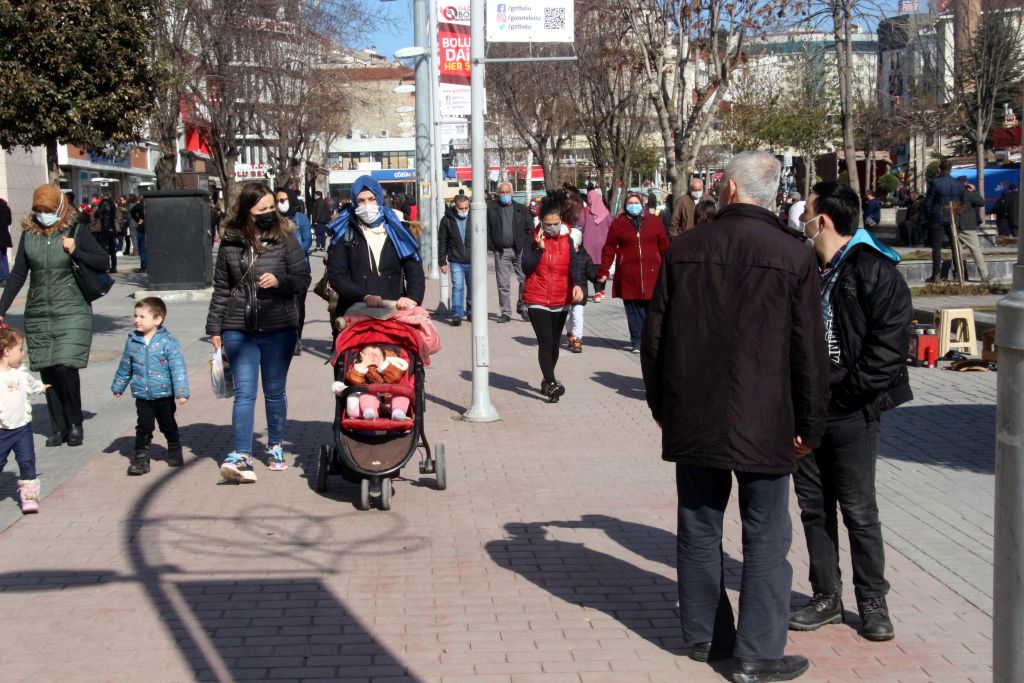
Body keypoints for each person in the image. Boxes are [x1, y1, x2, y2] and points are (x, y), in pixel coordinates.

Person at [641, 151, 829, 682]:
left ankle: (706, 633)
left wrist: (663, 406)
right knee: (766, 533)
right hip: (768, 416)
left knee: (699, 525)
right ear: (771, 197)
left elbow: (654, 341)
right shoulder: (794, 255)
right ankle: (756, 652)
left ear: (728, 189)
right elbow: (809, 353)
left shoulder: (686, 249)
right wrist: (809, 425)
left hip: (695, 412)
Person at [790, 181, 912, 643]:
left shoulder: (874, 269)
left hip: (851, 411)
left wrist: (845, 396)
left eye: (807, 211)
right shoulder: (804, 268)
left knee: (859, 510)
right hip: (806, 412)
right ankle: (826, 596)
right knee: (813, 508)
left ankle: (872, 600)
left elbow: (887, 349)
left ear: (822, 219)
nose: (801, 218)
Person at [206, 182, 312, 483]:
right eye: (261, 209)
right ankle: (241, 455)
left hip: (279, 326)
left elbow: (302, 277)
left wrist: (279, 281)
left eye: (271, 208)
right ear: (246, 211)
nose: (269, 213)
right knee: (245, 393)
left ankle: (275, 445)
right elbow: (222, 289)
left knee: (275, 390)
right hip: (239, 327)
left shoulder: (286, 237)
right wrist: (214, 326)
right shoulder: (230, 242)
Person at [0, 184, 109, 448]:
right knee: (48, 369)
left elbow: (102, 261)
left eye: (47, 210)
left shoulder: (75, 230)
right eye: (38, 210)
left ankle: (74, 423)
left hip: (72, 309)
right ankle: (57, 426)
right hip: (39, 311)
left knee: (65, 366)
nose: (42, 214)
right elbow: (18, 275)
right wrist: (1, 308)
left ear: (59, 208)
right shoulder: (30, 234)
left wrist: (76, 250)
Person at [111, 297, 190, 476]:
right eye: (135, 316)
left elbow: (178, 368)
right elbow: (125, 366)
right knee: (144, 426)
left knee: (168, 425)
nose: (136, 320)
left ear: (157, 319)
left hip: (164, 394)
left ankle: (175, 449)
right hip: (142, 395)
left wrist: (182, 391)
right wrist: (118, 386)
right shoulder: (132, 341)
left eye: (142, 316)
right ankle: (141, 459)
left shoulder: (169, 342)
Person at [327, 175, 424, 317]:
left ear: (379, 198)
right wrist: (364, 296)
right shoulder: (344, 231)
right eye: (361, 200)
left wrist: (412, 297)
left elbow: (414, 268)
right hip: (355, 311)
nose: (367, 205)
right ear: (354, 201)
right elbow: (337, 276)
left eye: (372, 199)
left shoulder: (398, 229)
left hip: (393, 309)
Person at [521, 197, 584, 403]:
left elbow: (574, 265)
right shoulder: (532, 240)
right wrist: (539, 248)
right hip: (537, 297)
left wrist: (577, 284)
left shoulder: (567, 240)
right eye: (548, 224)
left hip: (561, 297)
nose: (552, 227)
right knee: (545, 341)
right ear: (541, 222)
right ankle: (552, 381)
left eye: (556, 223)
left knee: (555, 343)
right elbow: (526, 267)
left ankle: (547, 382)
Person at [596, 192, 669, 354]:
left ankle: (652, 339)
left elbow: (664, 245)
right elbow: (609, 249)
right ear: (626, 205)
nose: (633, 205)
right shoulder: (618, 224)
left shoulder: (654, 221)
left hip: (652, 273)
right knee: (633, 310)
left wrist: (669, 266)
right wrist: (604, 270)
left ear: (642, 204)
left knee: (652, 310)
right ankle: (636, 340)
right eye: (630, 203)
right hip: (629, 274)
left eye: (636, 202)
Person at [0, 327, 48, 513]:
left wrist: (42, 387)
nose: (23, 353)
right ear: (6, 352)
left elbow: (32, 383)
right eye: (20, 349)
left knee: (27, 461)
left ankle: (29, 496)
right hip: (2, 430)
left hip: (22, 429)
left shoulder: (20, 373)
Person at [486, 181, 532, 322]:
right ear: (498, 193)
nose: (505, 195)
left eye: (507, 192)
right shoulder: (492, 209)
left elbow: (529, 228)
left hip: (519, 250)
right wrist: (492, 246)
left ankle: (523, 306)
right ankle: (506, 312)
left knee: (525, 279)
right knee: (503, 283)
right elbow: (486, 230)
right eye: (502, 192)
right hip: (501, 251)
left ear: (512, 193)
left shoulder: (521, 209)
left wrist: (526, 245)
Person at [275, 187, 313, 355]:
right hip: (278, 271)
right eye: (278, 200)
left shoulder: (301, 219)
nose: (280, 204)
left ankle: (296, 338)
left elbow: (307, 240)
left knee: (298, 306)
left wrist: (295, 256)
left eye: (283, 200)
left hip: (299, 270)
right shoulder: (273, 219)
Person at [924, 159, 966, 283]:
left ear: (939, 169)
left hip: (937, 216)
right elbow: (962, 201)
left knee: (936, 247)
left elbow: (928, 202)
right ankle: (958, 272)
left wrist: (929, 215)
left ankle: (936, 274)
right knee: (955, 246)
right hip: (953, 216)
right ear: (951, 169)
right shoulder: (958, 184)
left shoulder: (935, 183)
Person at [438, 193, 472, 326]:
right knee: (458, 287)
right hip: (456, 259)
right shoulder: (447, 220)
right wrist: (442, 261)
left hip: (473, 259)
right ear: (455, 207)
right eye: (461, 209)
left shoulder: (474, 216)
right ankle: (457, 314)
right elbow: (442, 241)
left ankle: (470, 312)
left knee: (472, 287)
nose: (464, 211)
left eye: (466, 208)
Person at [564, 227, 598, 353]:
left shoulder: (585, 257)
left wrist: (598, 276)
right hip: (565, 293)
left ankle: (578, 339)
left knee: (577, 316)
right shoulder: (563, 255)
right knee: (567, 318)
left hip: (580, 293)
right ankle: (570, 333)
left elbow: (591, 273)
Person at [952, 178, 990, 282]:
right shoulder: (968, 194)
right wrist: (974, 191)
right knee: (976, 251)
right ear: (966, 184)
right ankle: (984, 275)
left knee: (957, 252)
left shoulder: (953, 194)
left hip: (955, 225)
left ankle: (959, 275)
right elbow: (981, 203)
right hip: (968, 226)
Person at [581, 187, 611, 302]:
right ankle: (602, 291)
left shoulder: (584, 212)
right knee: (603, 267)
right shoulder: (606, 212)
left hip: (589, 245)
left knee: (592, 269)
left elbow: (579, 225)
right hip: (604, 244)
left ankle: (597, 293)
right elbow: (611, 226)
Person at [94, 192, 118, 273]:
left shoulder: (104, 203)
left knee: (103, 247)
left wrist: (98, 214)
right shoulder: (112, 204)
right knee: (112, 249)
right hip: (112, 227)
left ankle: (105, 266)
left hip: (106, 227)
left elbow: (97, 213)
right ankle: (114, 267)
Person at [129, 195, 147, 271]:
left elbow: (132, 211)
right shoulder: (148, 204)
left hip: (142, 227)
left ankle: (144, 265)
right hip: (149, 227)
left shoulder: (140, 205)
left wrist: (138, 220)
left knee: (142, 248)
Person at [0, 197, 12, 283]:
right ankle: (6, 277)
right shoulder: (7, 208)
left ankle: (3, 278)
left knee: (1, 258)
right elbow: (9, 222)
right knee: (3, 257)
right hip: (5, 237)